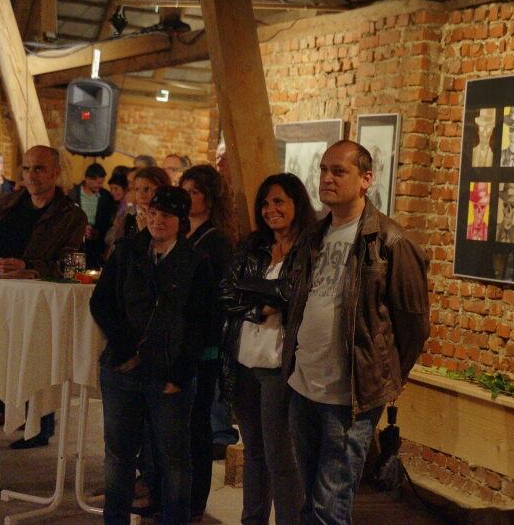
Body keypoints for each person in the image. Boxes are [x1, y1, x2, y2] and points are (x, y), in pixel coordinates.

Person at [283, 140, 430, 525]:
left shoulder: (391, 242)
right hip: (303, 384)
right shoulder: (314, 236)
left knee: (330, 504)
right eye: (323, 169)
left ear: (366, 179)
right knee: (308, 498)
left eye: (339, 171)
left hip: (348, 395)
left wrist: (385, 377)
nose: (327, 178)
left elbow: (414, 325)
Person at [0, 145, 87, 498]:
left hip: (22, 311)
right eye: (26, 168)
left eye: (39, 168)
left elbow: (70, 266)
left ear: (56, 172)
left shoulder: (71, 216)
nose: (31, 175)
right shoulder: (5, 203)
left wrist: (29, 268)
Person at [90, 186, 216, 525]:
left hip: (168, 373)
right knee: (118, 456)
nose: (158, 221)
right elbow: (101, 302)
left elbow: (201, 323)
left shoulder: (196, 261)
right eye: (154, 213)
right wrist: (125, 349)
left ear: (181, 221)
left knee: (174, 459)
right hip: (121, 369)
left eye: (167, 216)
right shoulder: (127, 251)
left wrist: (181, 374)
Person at [221, 173, 315, 525]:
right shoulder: (254, 245)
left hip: (280, 366)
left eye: (278, 201)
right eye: (265, 203)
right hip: (243, 361)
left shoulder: (310, 248)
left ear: (296, 204)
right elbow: (227, 292)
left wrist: (254, 291)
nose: (270, 209)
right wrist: (260, 306)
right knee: (254, 453)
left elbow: (293, 296)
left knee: (280, 457)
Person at [179, 165, 237, 522]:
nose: (187, 198)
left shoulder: (215, 242)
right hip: (180, 343)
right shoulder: (183, 233)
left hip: (204, 347)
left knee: (196, 425)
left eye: (195, 192)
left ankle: (195, 503)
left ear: (210, 198)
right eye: (183, 190)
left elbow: (217, 300)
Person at [67, 162, 117, 270]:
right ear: (88, 179)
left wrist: (97, 231)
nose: (101, 185)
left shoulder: (106, 197)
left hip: (97, 245)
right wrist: (81, 229)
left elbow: (108, 220)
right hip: (76, 243)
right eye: (98, 182)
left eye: (102, 182)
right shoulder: (72, 194)